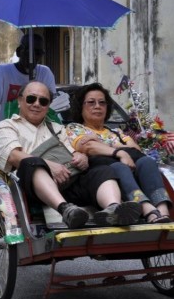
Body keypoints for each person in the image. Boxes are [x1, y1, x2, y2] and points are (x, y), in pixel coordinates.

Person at [0, 81, 140, 228]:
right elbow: (14, 156)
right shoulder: (7, 126)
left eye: (43, 101)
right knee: (32, 163)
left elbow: (73, 150)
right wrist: (49, 165)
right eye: (31, 99)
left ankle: (113, 209)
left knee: (102, 169)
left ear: (48, 106)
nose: (36, 104)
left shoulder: (57, 127)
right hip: (31, 189)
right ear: (20, 100)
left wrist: (82, 157)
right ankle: (65, 210)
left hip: (68, 180)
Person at [66, 83, 172, 223]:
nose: (97, 106)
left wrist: (101, 142)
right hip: (101, 175)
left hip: (129, 167)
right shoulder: (75, 128)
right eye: (91, 102)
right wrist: (120, 152)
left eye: (102, 102)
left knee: (147, 162)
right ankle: (147, 210)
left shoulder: (116, 132)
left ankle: (163, 212)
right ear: (81, 107)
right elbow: (88, 147)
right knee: (119, 167)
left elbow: (136, 152)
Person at [0, 33, 56, 131]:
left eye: (37, 53)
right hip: (8, 131)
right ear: (19, 52)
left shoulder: (45, 73)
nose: (33, 57)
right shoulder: (2, 71)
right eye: (28, 52)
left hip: (37, 132)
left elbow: (50, 103)